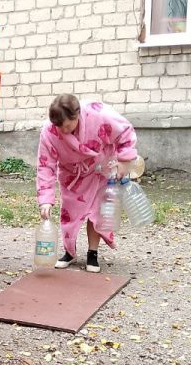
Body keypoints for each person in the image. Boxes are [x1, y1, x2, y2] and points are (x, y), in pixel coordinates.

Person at [36, 94, 138, 273]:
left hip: (101, 168)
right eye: (59, 127)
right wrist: (45, 199)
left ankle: (93, 253)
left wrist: (124, 161)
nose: (63, 131)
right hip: (73, 175)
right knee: (70, 213)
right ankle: (69, 251)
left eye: (67, 126)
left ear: (77, 115)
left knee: (96, 212)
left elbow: (125, 131)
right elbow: (46, 165)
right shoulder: (49, 131)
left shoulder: (98, 114)